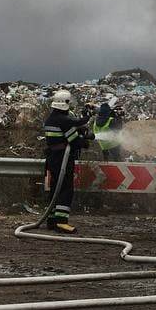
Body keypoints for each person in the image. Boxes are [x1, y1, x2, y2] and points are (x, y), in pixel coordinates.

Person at [42, 89, 93, 234]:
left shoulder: (53, 117)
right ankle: (61, 222)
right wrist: (85, 141)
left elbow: (71, 125)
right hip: (61, 158)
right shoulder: (63, 120)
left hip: (53, 157)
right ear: (65, 104)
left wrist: (81, 125)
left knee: (55, 188)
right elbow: (74, 140)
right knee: (65, 188)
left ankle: (52, 220)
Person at [93, 94, 126, 162]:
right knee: (117, 160)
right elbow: (119, 128)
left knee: (106, 161)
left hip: (103, 145)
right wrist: (118, 117)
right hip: (113, 143)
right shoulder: (110, 120)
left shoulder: (96, 121)